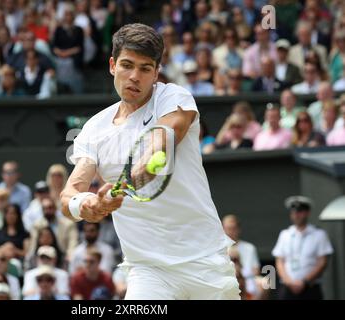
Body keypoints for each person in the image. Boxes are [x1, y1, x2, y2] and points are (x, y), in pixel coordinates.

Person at [60, 23, 239, 299]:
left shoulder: (173, 98)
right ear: (111, 65)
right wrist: (86, 204)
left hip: (205, 263)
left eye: (145, 69)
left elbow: (158, 152)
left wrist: (120, 189)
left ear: (156, 73)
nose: (134, 76)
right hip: (148, 271)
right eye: (127, 65)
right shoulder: (93, 130)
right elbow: (69, 192)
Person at [272, 196, 333, 300]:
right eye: (293, 212)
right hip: (288, 287)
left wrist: (304, 282)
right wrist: (288, 281)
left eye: (299, 211)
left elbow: (322, 262)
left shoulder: (319, 234)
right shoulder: (285, 234)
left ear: (307, 213)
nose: (296, 215)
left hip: (310, 287)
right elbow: (279, 260)